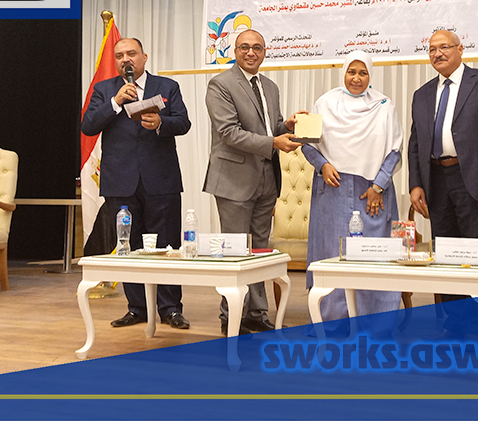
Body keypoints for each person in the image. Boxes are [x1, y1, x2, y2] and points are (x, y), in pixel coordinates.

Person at [408, 30, 478, 338]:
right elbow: (415, 144)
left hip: (476, 179)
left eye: (444, 47)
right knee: (446, 257)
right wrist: (416, 184)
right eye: (432, 49)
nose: (437, 53)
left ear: (460, 49)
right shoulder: (422, 94)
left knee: (476, 255)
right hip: (436, 180)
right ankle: (456, 324)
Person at [81, 37, 192, 329]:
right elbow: (88, 125)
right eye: (119, 56)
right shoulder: (105, 90)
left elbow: (183, 123)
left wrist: (161, 123)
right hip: (121, 182)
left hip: (161, 179)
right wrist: (115, 102)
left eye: (131, 53)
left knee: (167, 245)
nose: (125, 59)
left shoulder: (167, 87)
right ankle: (137, 308)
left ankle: (170, 309)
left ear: (144, 57)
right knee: (128, 246)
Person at [203, 29, 303, 336]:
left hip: (266, 179)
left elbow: (268, 128)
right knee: (235, 250)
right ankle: (231, 316)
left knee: (260, 249)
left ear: (264, 52)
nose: (251, 52)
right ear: (234, 51)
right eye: (244, 47)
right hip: (233, 179)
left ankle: (257, 313)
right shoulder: (220, 84)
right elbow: (228, 132)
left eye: (257, 47)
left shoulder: (269, 86)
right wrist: (273, 141)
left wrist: (285, 125)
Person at [303, 50, 404, 325]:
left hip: (372, 193)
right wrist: (323, 165)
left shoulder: (383, 105)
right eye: (351, 72)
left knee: (375, 257)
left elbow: (395, 150)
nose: (356, 78)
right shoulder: (325, 103)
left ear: (370, 75)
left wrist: (378, 186)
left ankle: (376, 323)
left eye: (363, 73)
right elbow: (307, 144)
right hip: (332, 190)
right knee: (332, 256)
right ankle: (331, 322)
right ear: (344, 72)